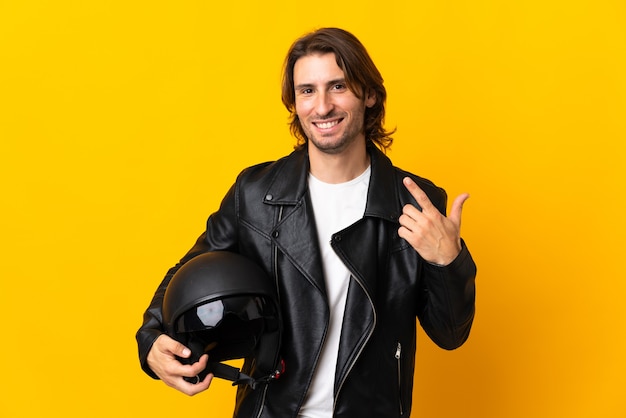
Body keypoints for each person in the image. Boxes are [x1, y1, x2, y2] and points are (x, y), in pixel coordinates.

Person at [136, 27, 476, 418]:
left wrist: (448, 262)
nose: (322, 106)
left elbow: (451, 334)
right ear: (294, 102)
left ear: (369, 95)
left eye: (338, 86)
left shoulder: (415, 201)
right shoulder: (256, 193)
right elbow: (190, 271)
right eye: (307, 91)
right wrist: (150, 341)